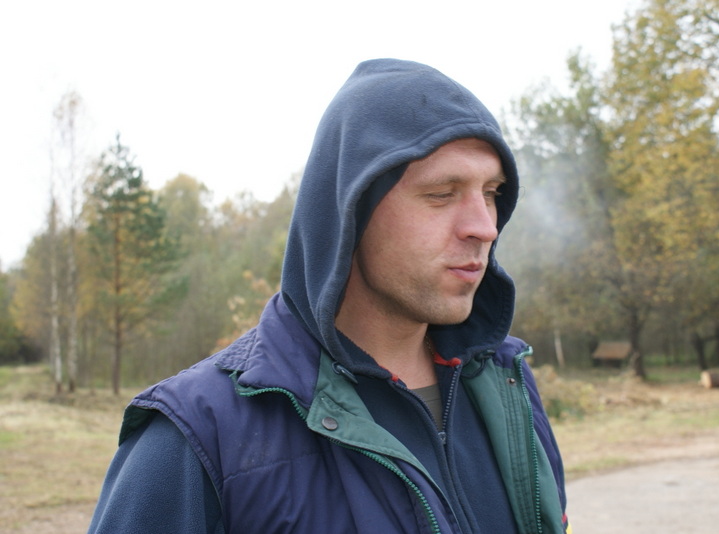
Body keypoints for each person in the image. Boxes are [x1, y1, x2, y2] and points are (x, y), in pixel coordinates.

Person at [87, 58, 570, 534]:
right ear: (350, 209)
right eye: (442, 193)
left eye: (491, 192)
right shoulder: (198, 437)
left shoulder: (508, 384)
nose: (485, 227)